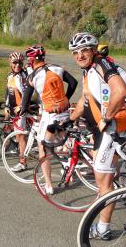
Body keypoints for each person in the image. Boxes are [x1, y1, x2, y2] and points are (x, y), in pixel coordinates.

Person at [68, 32, 126, 240]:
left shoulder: (101, 65)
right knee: (103, 177)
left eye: (84, 51)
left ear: (93, 50)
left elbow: (120, 90)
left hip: (112, 127)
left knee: (104, 180)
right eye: (75, 52)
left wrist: (107, 117)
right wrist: (70, 118)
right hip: (103, 130)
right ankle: (106, 198)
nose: (79, 55)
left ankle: (103, 228)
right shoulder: (90, 69)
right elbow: (85, 98)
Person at [19, 44, 78, 193]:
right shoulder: (57, 68)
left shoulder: (33, 76)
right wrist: (65, 98)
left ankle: (49, 185)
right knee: (64, 143)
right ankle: (68, 171)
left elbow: (25, 99)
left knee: (43, 148)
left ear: (31, 60)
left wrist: (24, 110)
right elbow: (73, 83)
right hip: (65, 112)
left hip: (49, 115)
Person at [4, 52, 30, 172]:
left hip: (21, 110)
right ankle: (13, 149)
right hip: (13, 110)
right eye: (15, 62)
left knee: (21, 137)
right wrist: (6, 106)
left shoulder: (23, 76)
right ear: (10, 62)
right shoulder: (10, 75)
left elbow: (27, 94)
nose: (17, 65)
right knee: (12, 132)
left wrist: (21, 106)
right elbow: (8, 91)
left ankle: (22, 162)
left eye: (20, 62)